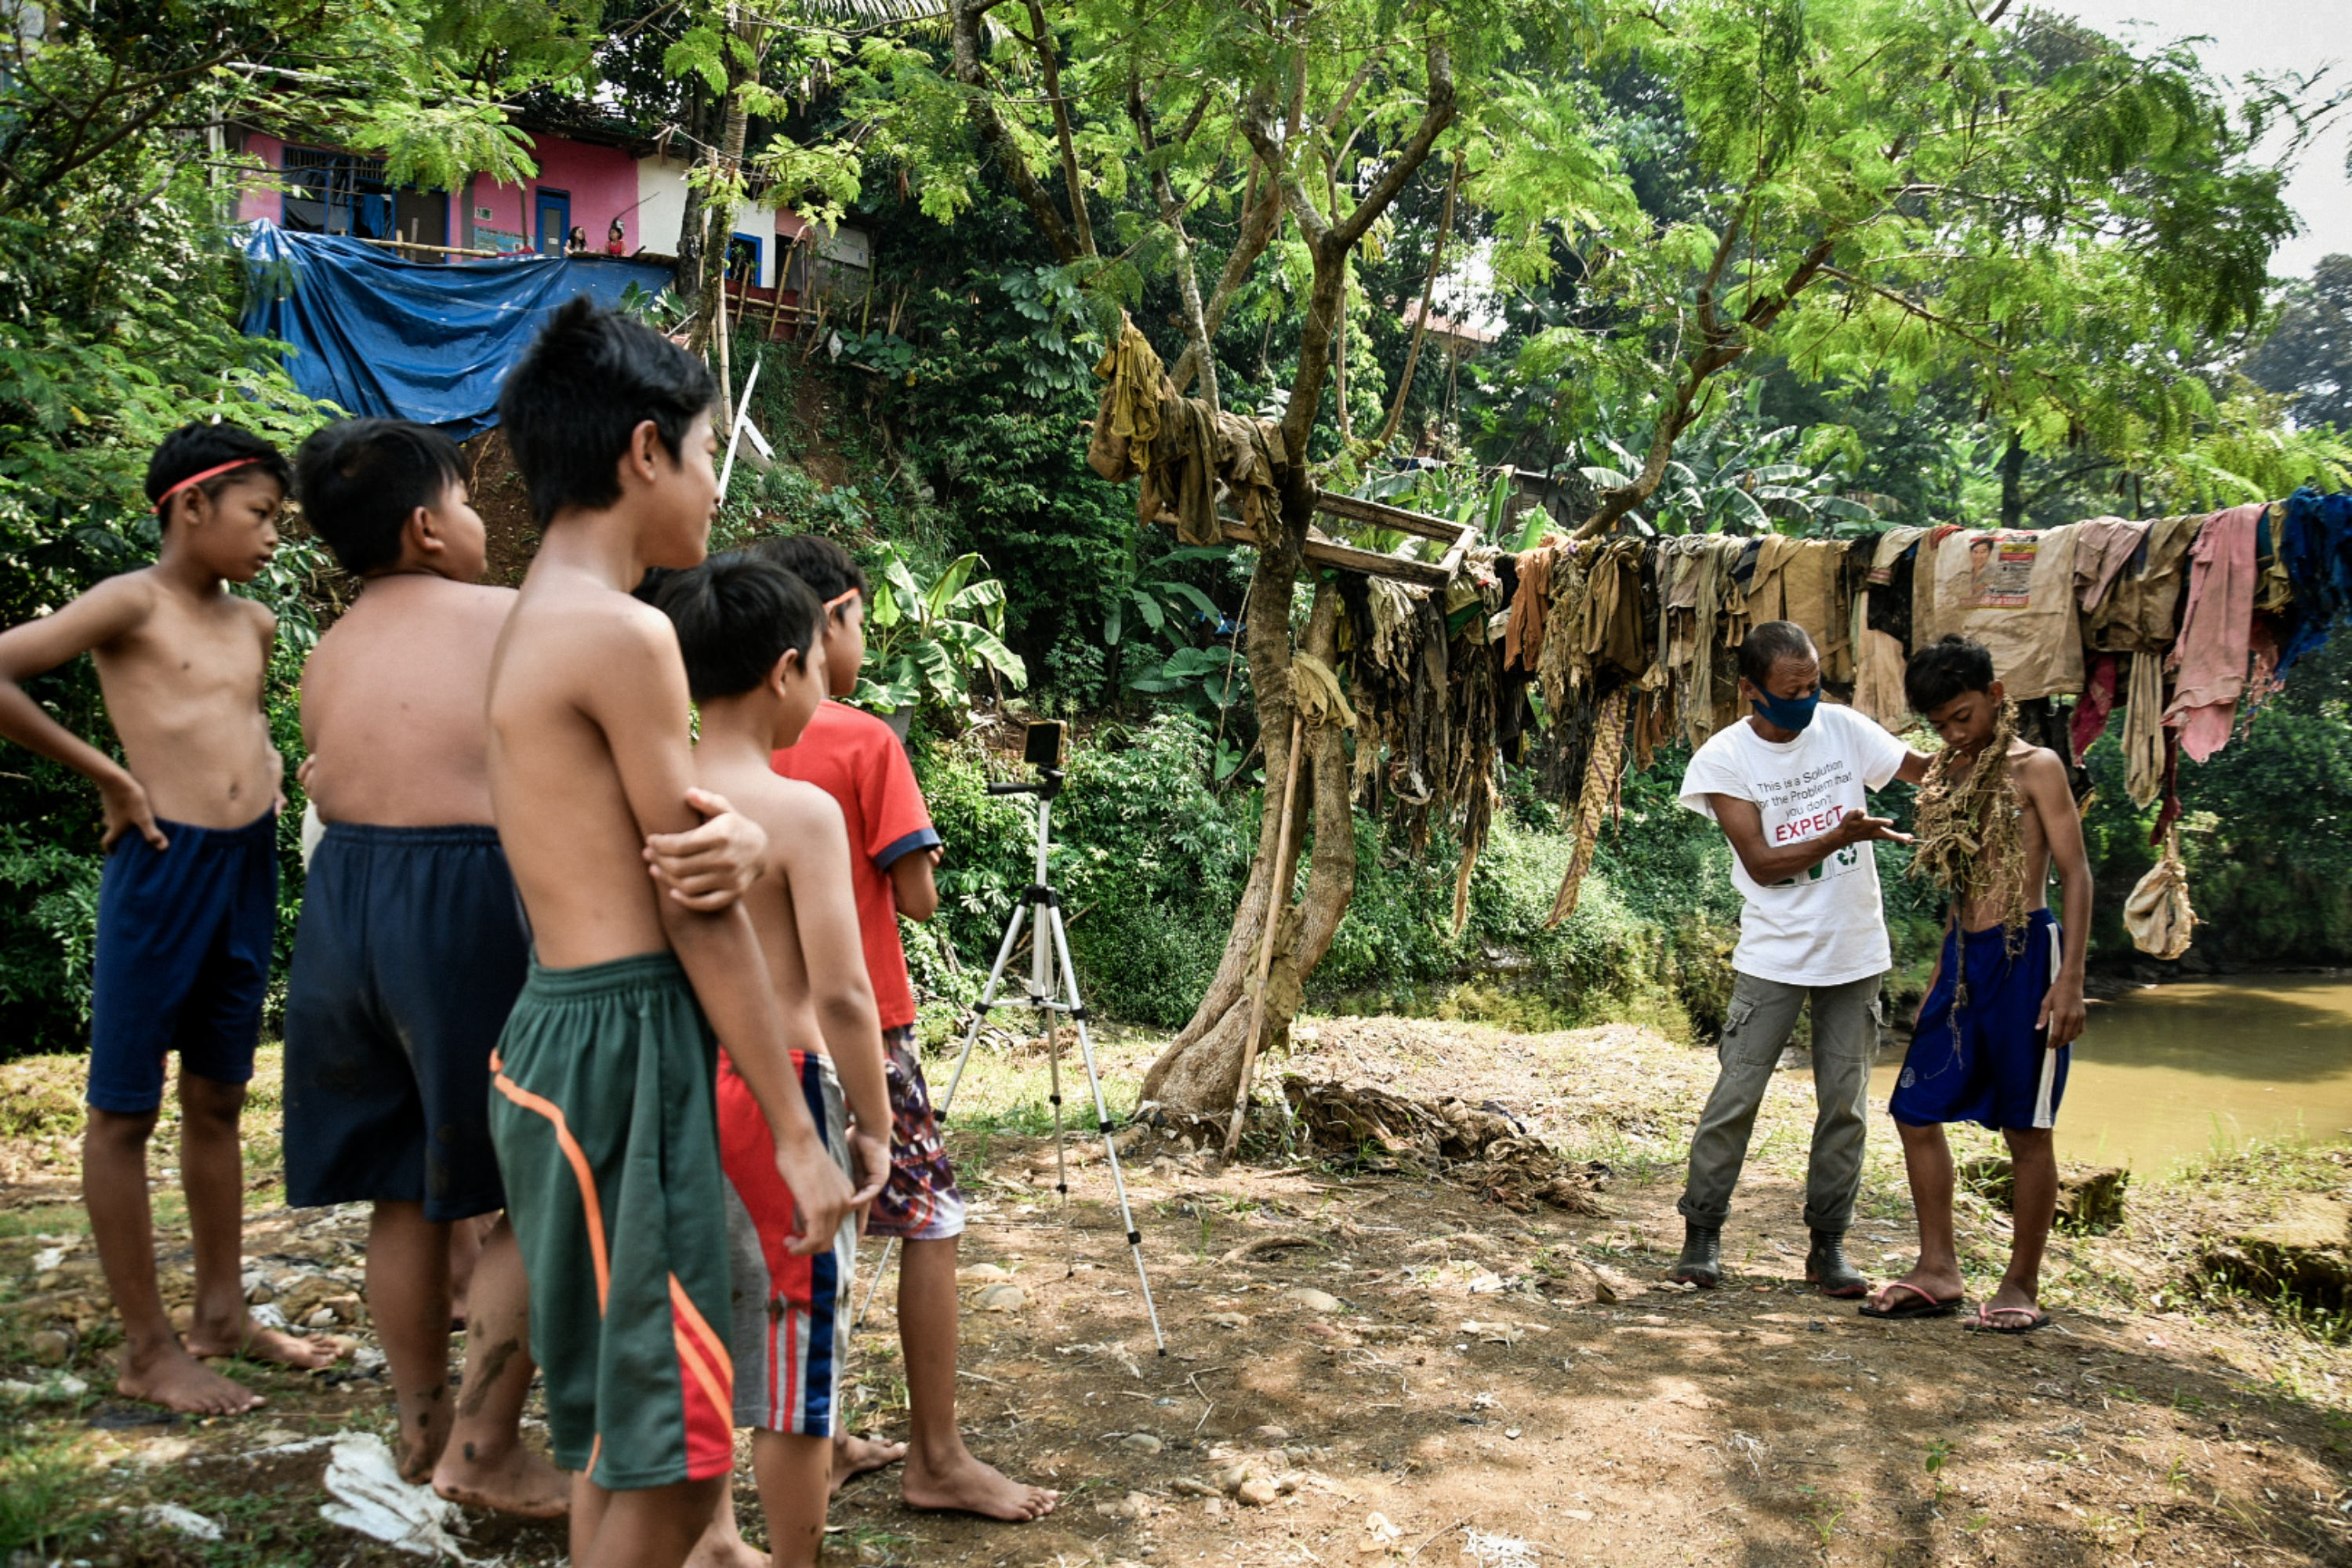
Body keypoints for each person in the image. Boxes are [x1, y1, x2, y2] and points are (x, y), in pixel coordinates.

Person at [481, 297, 857, 1568]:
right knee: (672, 1448)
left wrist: (735, 846)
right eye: (707, 458)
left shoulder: (527, 615)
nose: (712, 492)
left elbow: (677, 851)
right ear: (644, 452)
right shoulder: (627, 633)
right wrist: (800, 1141)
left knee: (623, 1435)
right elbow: (700, 913)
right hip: (625, 1047)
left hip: (563, 1035)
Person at [0, 423, 339, 1414]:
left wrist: (280, 773)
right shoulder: (128, 603)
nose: (276, 535)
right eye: (261, 514)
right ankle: (146, 1348)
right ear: (192, 506)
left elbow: (233, 726)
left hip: (240, 868)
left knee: (220, 1094)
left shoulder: (258, 625)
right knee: (123, 1108)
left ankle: (223, 1312)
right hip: (159, 863)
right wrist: (108, 774)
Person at [757, 532, 1060, 1522]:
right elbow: (919, 894)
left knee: (807, 1230)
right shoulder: (865, 740)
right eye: (853, 622)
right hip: (865, 1026)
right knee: (930, 1222)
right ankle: (939, 1453)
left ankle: (826, 1434)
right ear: (831, 619)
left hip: (754, 1029)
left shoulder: (722, 735)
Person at [657, 554, 892, 1567]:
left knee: (700, 1325)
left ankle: (711, 1537)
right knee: (796, 1362)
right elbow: (842, 994)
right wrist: (876, 1127)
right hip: (781, 1096)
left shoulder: (656, 796)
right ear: (786, 671)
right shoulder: (801, 813)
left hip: (669, 1089)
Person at [1668, 620, 1933, 1296]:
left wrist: (1996, 759)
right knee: (1737, 1095)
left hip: (1856, 951)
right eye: (1792, 690)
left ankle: (1829, 1248)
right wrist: (1837, 835)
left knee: (1844, 1105)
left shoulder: (1844, 729)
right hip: (1775, 956)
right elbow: (1760, 864)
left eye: (1814, 684)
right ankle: (1701, 1234)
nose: (1807, 699)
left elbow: (1924, 773)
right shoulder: (1725, 759)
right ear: (1751, 691)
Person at [1864, 635, 2091, 1332]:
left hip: (2030, 954)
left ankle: (2020, 1284)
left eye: (1963, 717)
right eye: (1940, 725)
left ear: (1996, 697)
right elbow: (1960, 885)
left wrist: (2072, 980)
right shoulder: (1947, 776)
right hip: (1965, 959)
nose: (1954, 734)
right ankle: (1938, 1268)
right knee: (1914, 1109)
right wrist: (1940, 970)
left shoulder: (2038, 767)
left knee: (2027, 1125)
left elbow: (2075, 873)